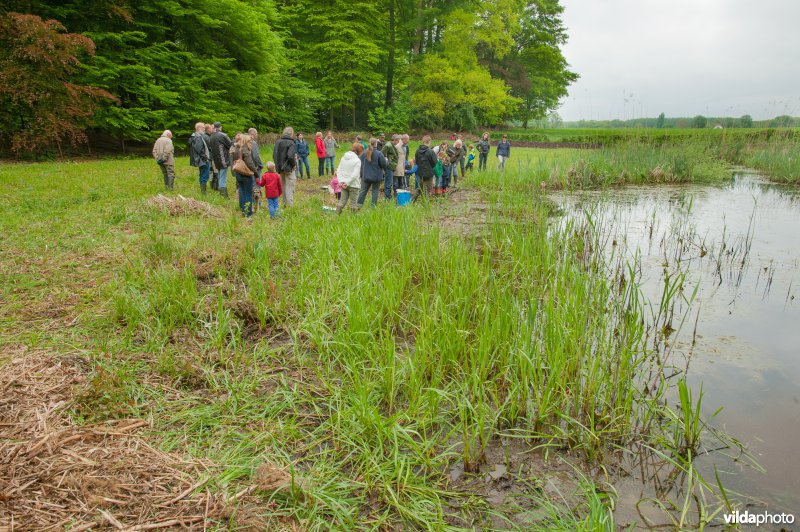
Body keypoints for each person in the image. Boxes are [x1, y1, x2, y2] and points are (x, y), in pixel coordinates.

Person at [230, 133, 258, 217]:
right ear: (246, 141)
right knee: (248, 193)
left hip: (238, 173)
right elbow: (250, 163)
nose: (251, 143)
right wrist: (256, 173)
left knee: (242, 191)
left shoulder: (236, 148)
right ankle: (248, 213)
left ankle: (243, 210)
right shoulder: (245, 149)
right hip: (246, 174)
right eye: (250, 141)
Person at [358, 138, 388, 207]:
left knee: (363, 191)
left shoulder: (364, 153)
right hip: (376, 176)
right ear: (376, 144)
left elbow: (360, 163)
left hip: (365, 176)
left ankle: (358, 205)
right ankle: (373, 206)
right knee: (375, 191)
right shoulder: (379, 153)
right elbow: (384, 165)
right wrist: (386, 161)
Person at [335, 143, 364, 213]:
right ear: (358, 151)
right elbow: (355, 174)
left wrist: (341, 182)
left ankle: (336, 216)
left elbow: (338, 171)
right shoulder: (357, 160)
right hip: (354, 185)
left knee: (342, 202)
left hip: (343, 184)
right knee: (353, 204)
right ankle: (353, 221)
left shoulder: (343, 158)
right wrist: (347, 183)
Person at [273, 126, 298, 206]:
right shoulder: (291, 143)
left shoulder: (278, 142)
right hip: (288, 168)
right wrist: (294, 165)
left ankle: (284, 203)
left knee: (283, 185)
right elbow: (290, 156)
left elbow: (274, 155)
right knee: (290, 186)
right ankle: (289, 205)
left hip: (280, 167)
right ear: (291, 134)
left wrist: (277, 165)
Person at [209, 122, 232, 197]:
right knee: (223, 177)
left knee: (219, 176)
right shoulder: (223, 135)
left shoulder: (211, 136)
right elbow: (230, 145)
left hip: (216, 160)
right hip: (223, 159)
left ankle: (221, 193)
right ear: (220, 127)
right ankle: (224, 196)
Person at [413, 135, 438, 202]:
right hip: (429, 173)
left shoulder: (417, 151)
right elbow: (435, 162)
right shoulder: (431, 151)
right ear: (428, 141)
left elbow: (417, 162)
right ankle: (426, 204)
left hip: (420, 173)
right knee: (427, 189)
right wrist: (430, 167)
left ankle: (412, 200)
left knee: (420, 188)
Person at [188, 123, 211, 194]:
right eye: (203, 128)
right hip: (202, 160)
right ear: (199, 128)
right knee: (205, 175)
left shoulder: (194, 135)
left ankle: (203, 191)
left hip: (200, 159)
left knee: (203, 174)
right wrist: (205, 157)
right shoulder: (198, 137)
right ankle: (203, 192)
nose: (204, 129)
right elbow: (199, 149)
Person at [248, 128, 264, 208]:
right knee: (257, 185)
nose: (257, 135)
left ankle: (250, 202)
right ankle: (257, 203)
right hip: (255, 168)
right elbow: (256, 156)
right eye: (256, 133)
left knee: (250, 185)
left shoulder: (244, 141)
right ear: (252, 134)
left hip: (248, 167)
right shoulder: (253, 143)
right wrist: (260, 165)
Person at [381, 133, 400, 199]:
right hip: (389, 167)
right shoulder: (388, 145)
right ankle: (387, 198)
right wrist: (386, 160)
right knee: (388, 183)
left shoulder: (392, 145)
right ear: (395, 140)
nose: (398, 142)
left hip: (392, 166)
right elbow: (381, 154)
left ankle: (388, 196)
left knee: (390, 182)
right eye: (398, 141)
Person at [204, 123, 219, 190]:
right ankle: (215, 187)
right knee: (214, 172)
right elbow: (211, 147)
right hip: (211, 157)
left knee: (211, 172)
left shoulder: (208, 136)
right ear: (208, 129)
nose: (212, 129)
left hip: (209, 157)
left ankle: (213, 186)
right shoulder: (207, 137)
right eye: (211, 128)